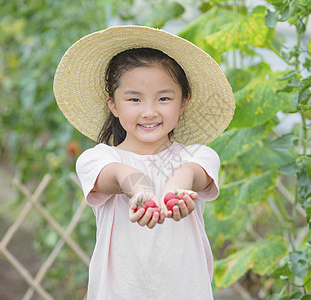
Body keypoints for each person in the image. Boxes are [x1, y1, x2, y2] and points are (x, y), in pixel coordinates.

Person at [53, 25, 235, 300]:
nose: (150, 111)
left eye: (164, 98)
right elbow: (119, 174)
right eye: (134, 99)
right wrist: (141, 191)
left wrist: (175, 190)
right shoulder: (98, 158)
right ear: (113, 104)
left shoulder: (198, 155)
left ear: (183, 102)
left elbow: (190, 173)